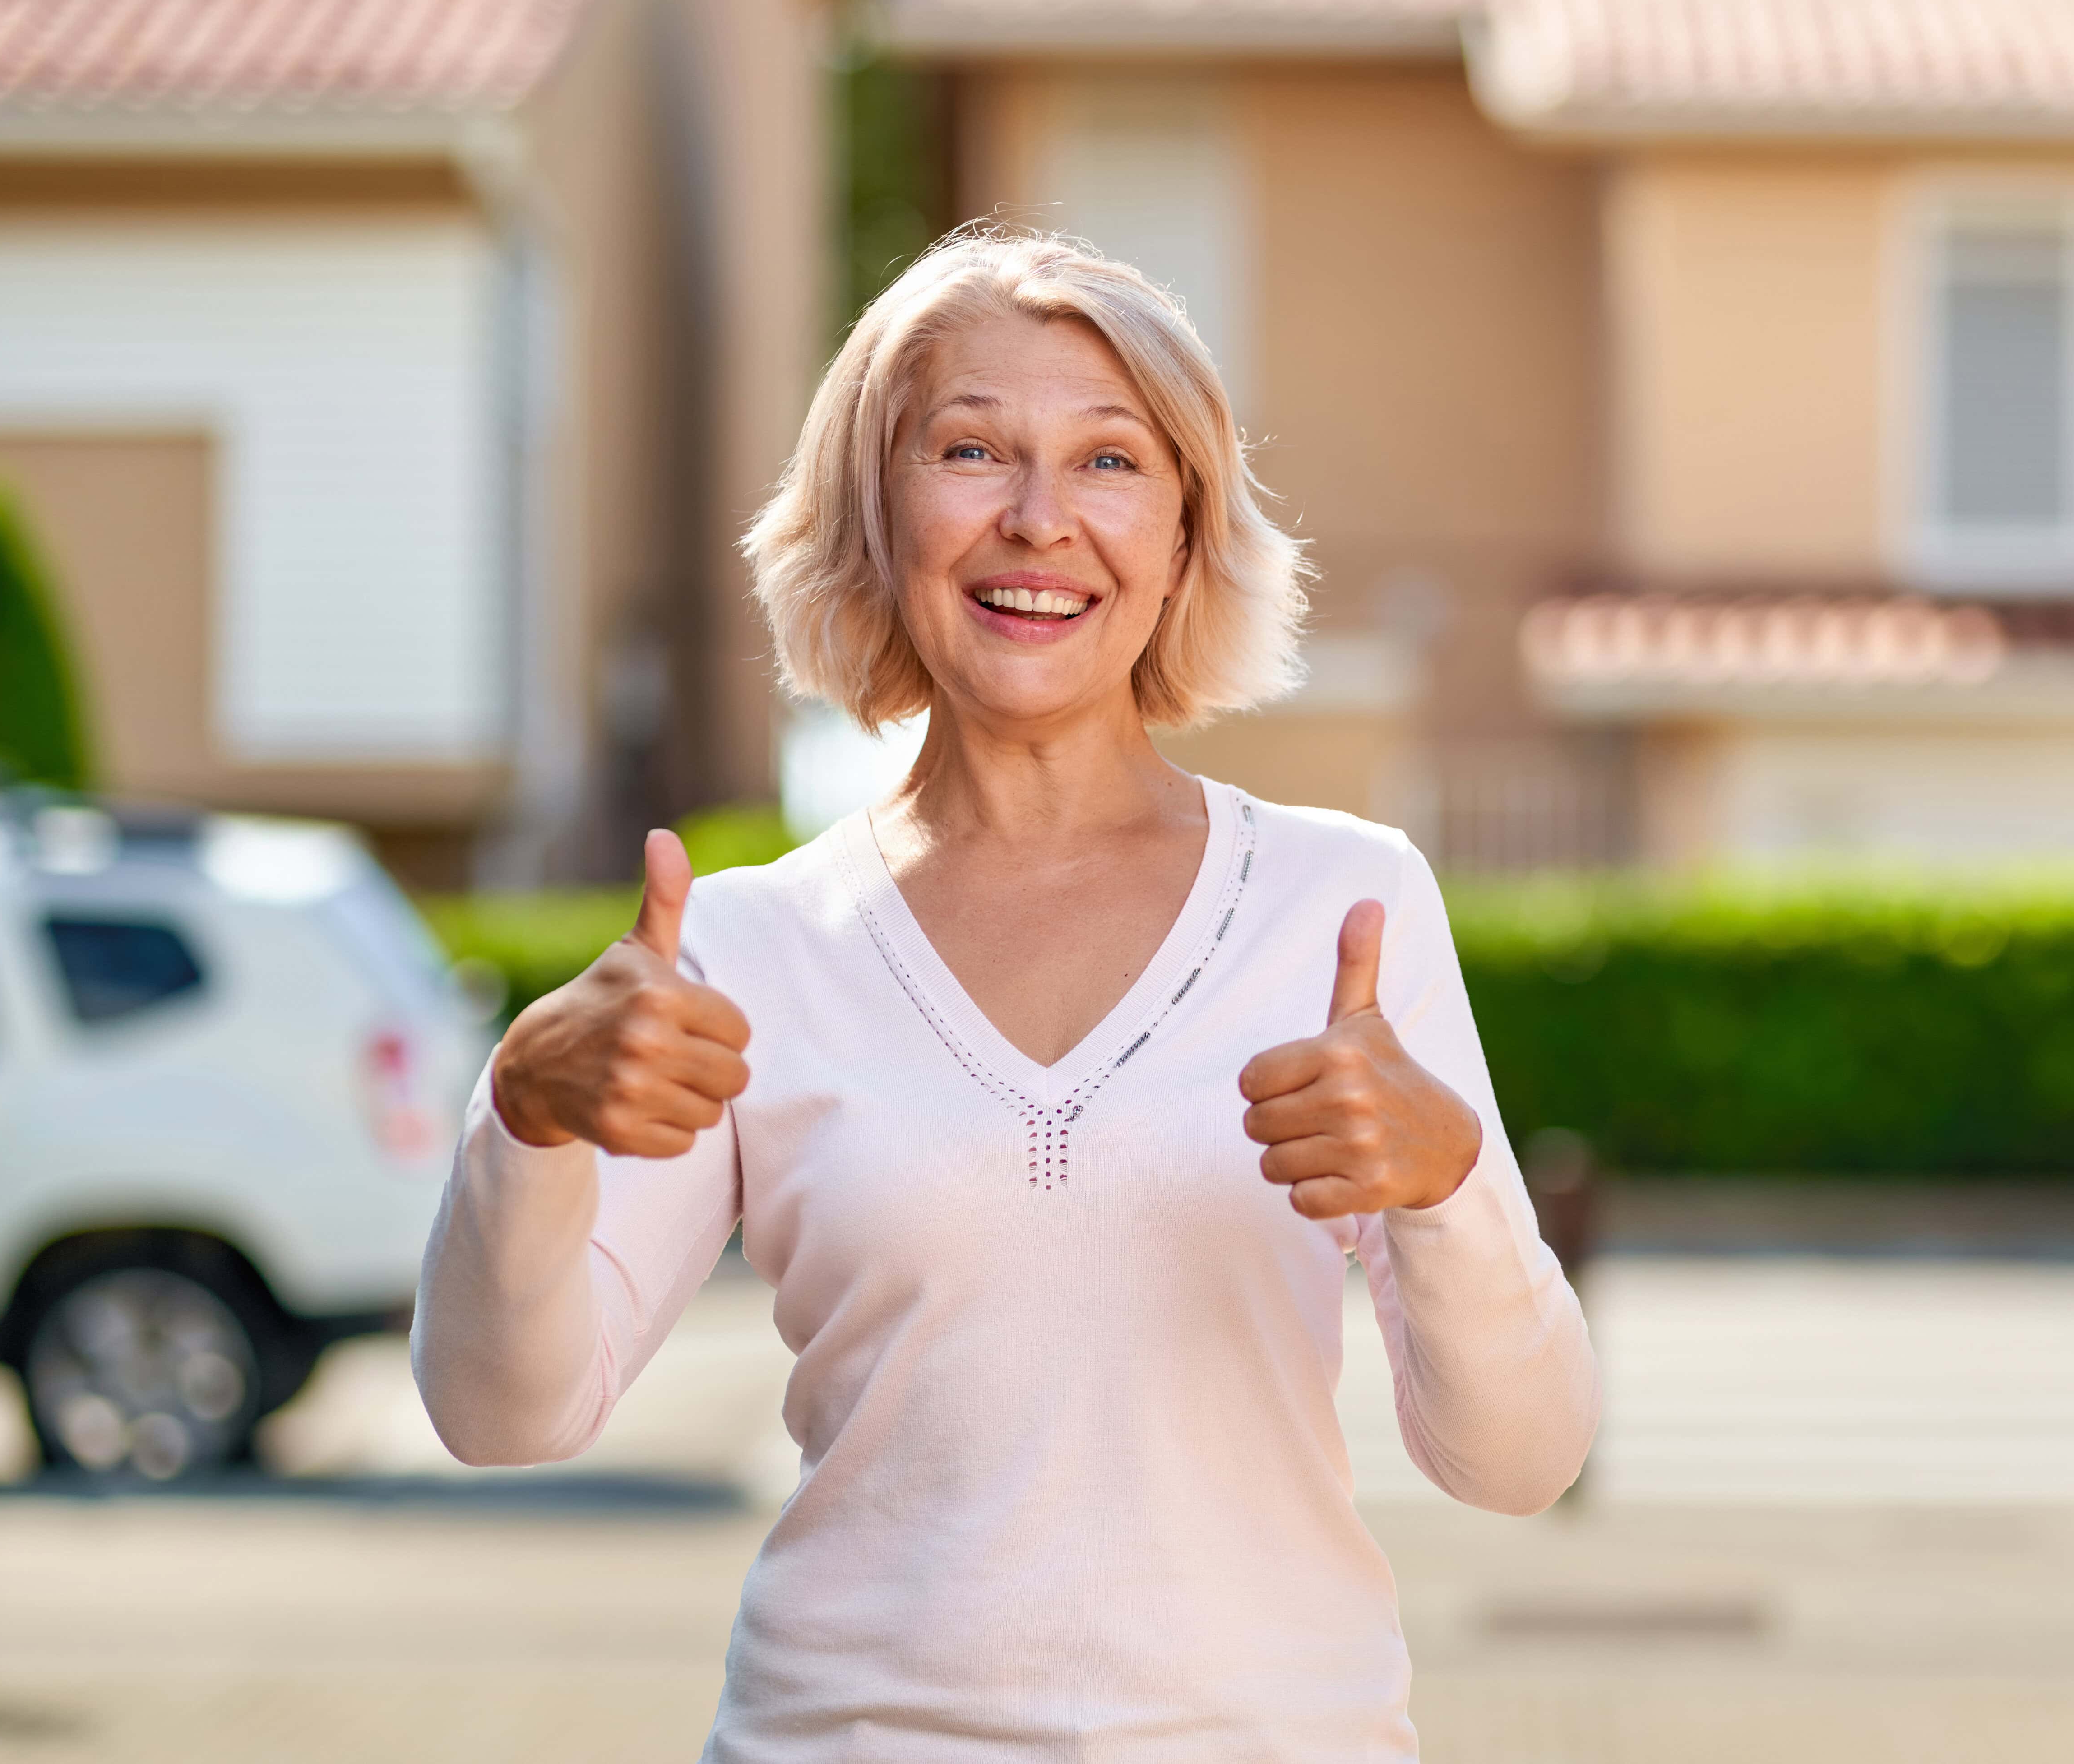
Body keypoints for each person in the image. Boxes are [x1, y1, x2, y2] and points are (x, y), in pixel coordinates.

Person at [412, 227, 1598, 1761]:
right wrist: (524, 1116)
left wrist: (1446, 1187)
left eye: (1111, 462)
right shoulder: (746, 947)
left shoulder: (1343, 908)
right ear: (876, 508)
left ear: (1183, 531)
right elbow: (505, 1415)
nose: (1041, 521)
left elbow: (1521, 1461)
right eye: (972, 448)